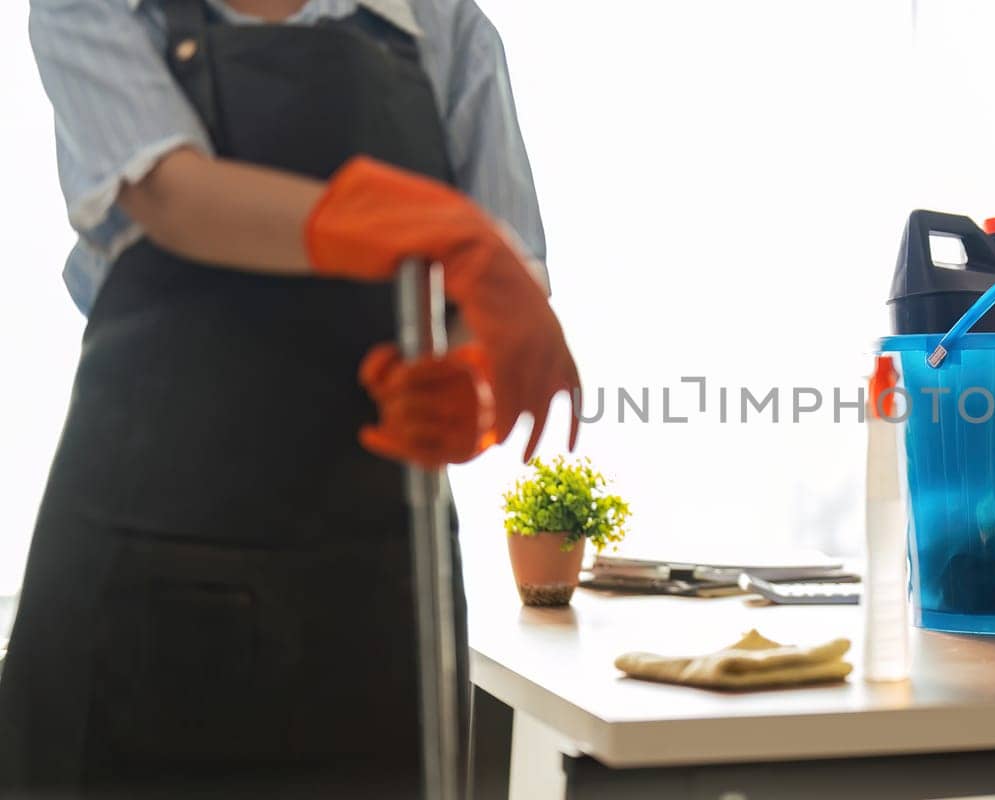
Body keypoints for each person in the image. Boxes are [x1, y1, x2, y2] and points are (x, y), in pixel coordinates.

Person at [0, 0, 580, 796]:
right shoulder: (97, 7)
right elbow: (175, 195)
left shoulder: (443, 26)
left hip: (379, 594)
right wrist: (434, 227)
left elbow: (497, 289)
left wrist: (466, 381)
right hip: (137, 590)